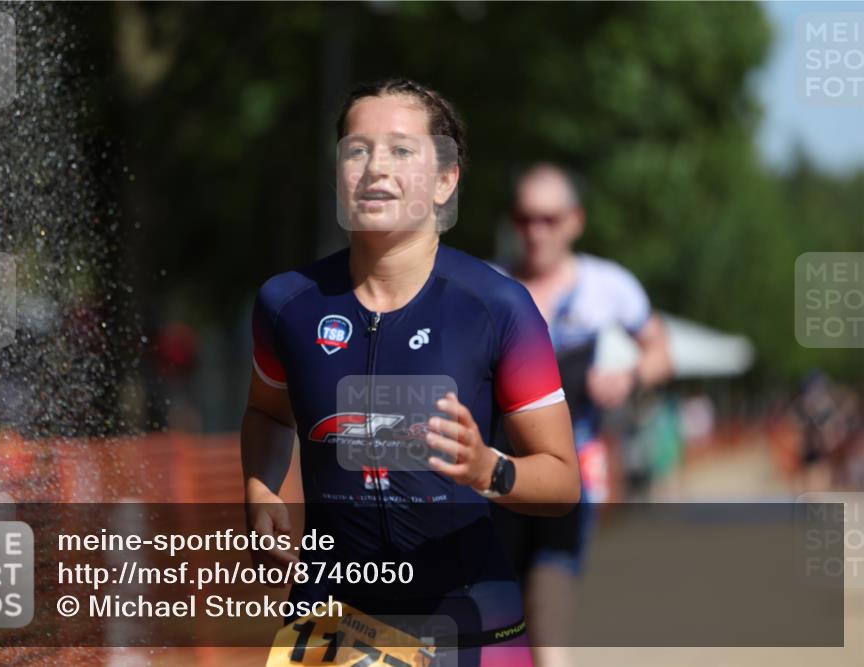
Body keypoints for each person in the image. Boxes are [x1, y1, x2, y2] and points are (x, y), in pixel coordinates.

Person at [241, 79, 580, 667]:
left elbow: (562, 481)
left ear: (446, 180)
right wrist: (259, 486)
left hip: (470, 625)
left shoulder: (497, 307)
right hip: (332, 626)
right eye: (356, 149)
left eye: (401, 150)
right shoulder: (286, 304)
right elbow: (267, 411)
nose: (375, 167)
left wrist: (488, 469)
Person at [490, 163, 673, 667]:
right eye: (525, 218)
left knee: (547, 614)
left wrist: (628, 377)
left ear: (576, 220)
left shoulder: (607, 285)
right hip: (496, 476)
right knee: (495, 621)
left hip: (569, 476)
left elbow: (661, 352)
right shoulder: (490, 283)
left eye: (549, 219)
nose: (536, 231)